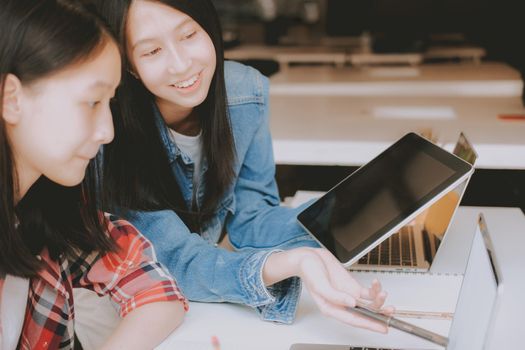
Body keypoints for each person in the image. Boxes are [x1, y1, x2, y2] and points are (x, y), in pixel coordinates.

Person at [86, 0, 392, 342]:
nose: (181, 64)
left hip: (203, 306)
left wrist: (347, 214)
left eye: (189, 35)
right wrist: (288, 263)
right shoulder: (110, 135)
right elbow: (177, 261)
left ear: (209, 27)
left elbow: (253, 218)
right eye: (152, 51)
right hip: (129, 315)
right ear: (127, 65)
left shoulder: (246, 92)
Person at [0, 0, 187, 349]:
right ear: (11, 98)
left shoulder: (43, 207)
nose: (107, 132)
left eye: (109, 103)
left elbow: (152, 285)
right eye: (92, 102)